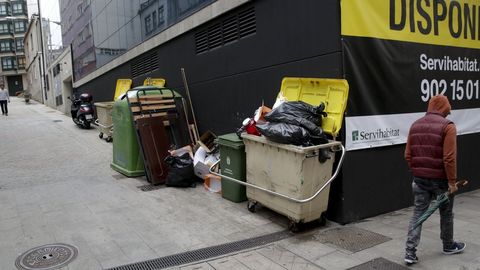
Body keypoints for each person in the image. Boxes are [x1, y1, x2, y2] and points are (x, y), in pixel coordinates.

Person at [404, 95, 465, 265]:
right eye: (447, 111)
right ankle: (448, 245)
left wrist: (417, 171)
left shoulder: (415, 125)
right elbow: (449, 158)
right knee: (446, 214)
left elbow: (408, 155)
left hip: (419, 180)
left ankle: (410, 252)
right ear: (443, 109)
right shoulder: (448, 127)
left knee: (418, 214)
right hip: (441, 182)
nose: (448, 114)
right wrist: (452, 183)